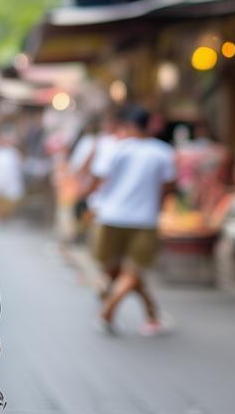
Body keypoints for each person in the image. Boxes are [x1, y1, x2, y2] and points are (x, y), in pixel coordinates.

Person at [83, 104, 177, 336]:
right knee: (132, 273)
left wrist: (90, 202)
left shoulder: (116, 148)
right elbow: (168, 188)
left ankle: (141, 313)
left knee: (122, 272)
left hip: (110, 217)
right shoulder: (163, 152)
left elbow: (98, 179)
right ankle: (110, 312)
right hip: (144, 220)